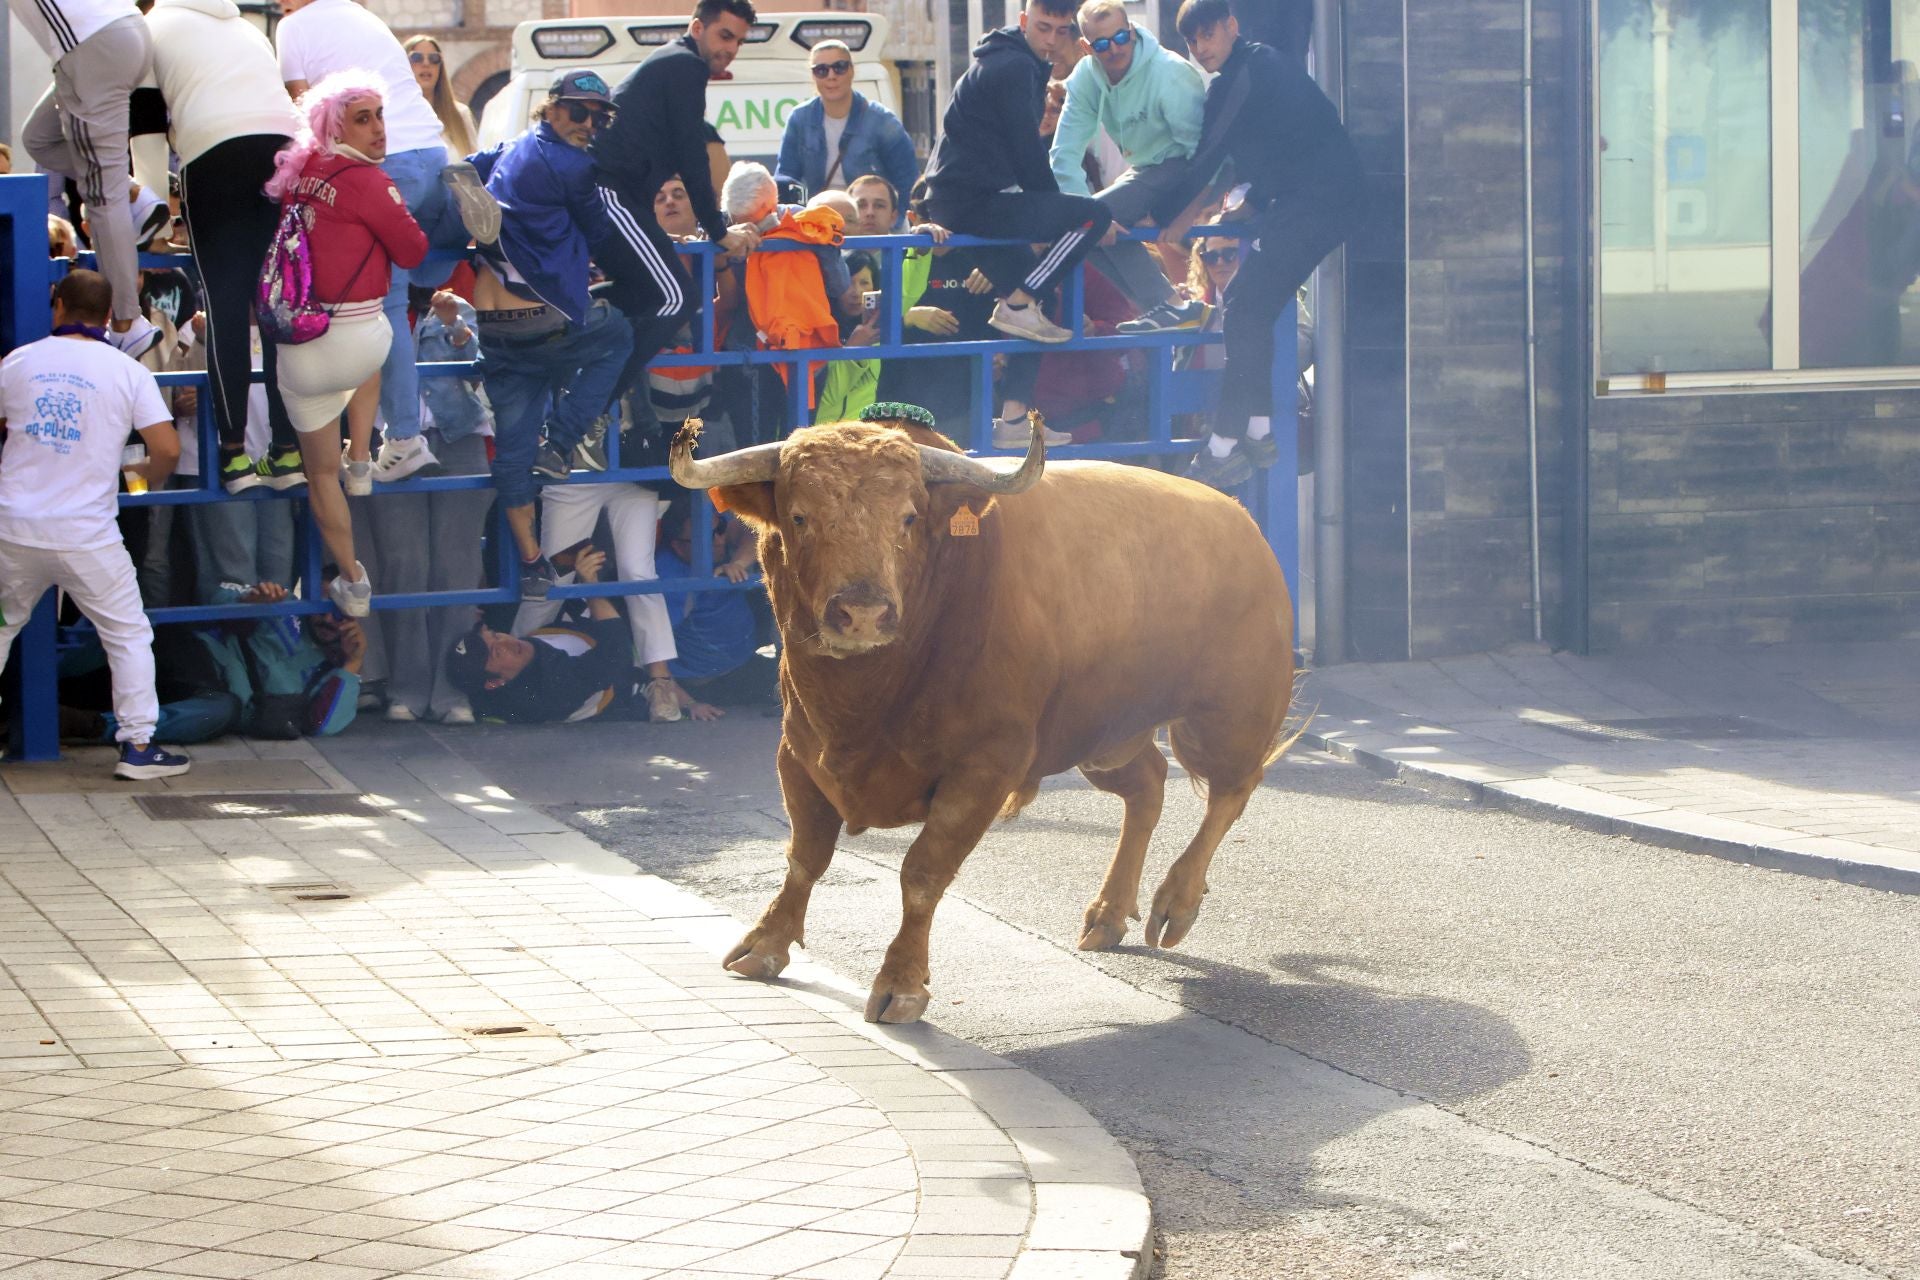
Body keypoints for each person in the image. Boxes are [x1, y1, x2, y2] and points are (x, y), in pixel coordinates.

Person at [277, 0, 500, 485]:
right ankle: (461, 210)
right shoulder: (361, 15)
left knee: (389, 305)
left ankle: (403, 438)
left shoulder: (292, 28)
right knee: (430, 266)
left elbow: (305, 113)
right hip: (430, 150)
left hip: (382, 162)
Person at [1154, 0, 1362, 490]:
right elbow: (1277, 146)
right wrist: (1251, 201)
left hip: (1317, 203)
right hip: (1314, 199)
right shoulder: (1263, 65)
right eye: (1192, 42)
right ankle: (1260, 430)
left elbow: (1210, 154)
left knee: (1245, 309)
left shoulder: (1243, 74)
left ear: (1231, 27)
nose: (1200, 49)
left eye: (1208, 35)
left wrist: (1171, 217)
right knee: (1252, 306)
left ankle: (1225, 444)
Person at [0, 270, 188, 779]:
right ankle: (139, 747)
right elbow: (167, 447)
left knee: (1, 627)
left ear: (56, 304)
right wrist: (146, 475)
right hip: (88, 535)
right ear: (108, 315)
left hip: (15, 528)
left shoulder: (18, 362)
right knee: (126, 634)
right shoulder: (126, 371)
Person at [264, 71, 429, 617]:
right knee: (378, 340)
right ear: (337, 126)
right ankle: (360, 455)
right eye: (364, 118)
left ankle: (353, 582)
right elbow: (412, 252)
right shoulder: (370, 182)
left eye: (380, 115)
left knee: (317, 475)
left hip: (301, 347)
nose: (379, 129)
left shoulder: (299, 171)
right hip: (358, 341)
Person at [469, 69, 633, 600]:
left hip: (494, 331)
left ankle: (533, 562)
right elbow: (602, 232)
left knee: (512, 457)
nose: (590, 125)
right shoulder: (576, 167)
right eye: (579, 112)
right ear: (553, 108)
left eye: (601, 117)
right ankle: (561, 444)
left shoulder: (511, 147)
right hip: (545, 322)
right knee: (620, 335)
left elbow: (470, 167)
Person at [144, 0, 307, 495]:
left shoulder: (148, 27)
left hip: (212, 154)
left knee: (225, 307)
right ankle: (287, 450)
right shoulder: (246, 26)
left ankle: (234, 456)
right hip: (281, 147)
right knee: (274, 306)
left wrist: (154, 218)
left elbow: (146, 133)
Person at [590, 0, 764, 401]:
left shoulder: (675, 62)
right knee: (678, 295)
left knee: (652, 293)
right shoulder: (685, 65)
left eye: (739, 41)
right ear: (697, 28)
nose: (731, 48)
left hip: (617, 195)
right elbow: (691, 155)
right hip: (606, 191)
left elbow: (688, 153)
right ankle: (593, 403)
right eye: (725, 35)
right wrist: (718, 231)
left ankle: (571, 334)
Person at [920, 0, 1113, 361]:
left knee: (1040, 297)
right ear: (1024, 21)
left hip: (961, 199)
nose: (1052, 40)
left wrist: (1052, 212)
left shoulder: (1010, 57)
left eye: (1061, 30)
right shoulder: (1015, 66)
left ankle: (1012, 415)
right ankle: (1020, 303)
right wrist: (1057, 214)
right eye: (1043, 28)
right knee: (1095, 216)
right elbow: (1027, 153)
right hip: (970, 202)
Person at [10, 0, 162, 356]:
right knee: (39, 139)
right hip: (118, 32)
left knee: (101, 197)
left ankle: (128, 321)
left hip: (91, 46)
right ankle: (134, 195)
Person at [1050, 0, 1208, 331]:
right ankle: (1163, 307)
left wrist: (1188, 209)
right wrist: (1087, 214)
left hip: (1183, 166)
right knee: (1079, 225)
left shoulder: (1170, 73)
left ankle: (1171, 305)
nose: (1115, 49)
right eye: (1103, 44)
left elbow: (1205, 153)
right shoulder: (1085, 78)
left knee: (1093, 221)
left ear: (1133, 31)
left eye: (1121, 37)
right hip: (1144, 169)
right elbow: (1063, 154)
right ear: (1086, 46)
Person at [451, 546, 696, 723]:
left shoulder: (514, 635)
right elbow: (616, 652)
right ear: (495, 682)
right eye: (495, 653)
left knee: (555, 564)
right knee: (632, 576)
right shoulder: (547, 692)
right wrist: (590, 585)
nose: (503, 642)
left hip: (564, 627)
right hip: (616, 668)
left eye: (494, 636)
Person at [656, 499, 775, 719]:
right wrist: (689, 703)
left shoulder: (709, 520)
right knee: (803, 690)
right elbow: (651, 656)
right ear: (677, 545)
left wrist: (739, 563)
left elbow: (751, 531)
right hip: (712, 680)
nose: (720, 539)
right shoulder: (669, 579)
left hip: (744, 650)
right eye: (708, 537)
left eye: (719, 529)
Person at [774, 39, 918, 207]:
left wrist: (895, 226)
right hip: (819, 222)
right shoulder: (799, 119)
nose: (831, 76)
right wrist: (798, 217)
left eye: (839, 67)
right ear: (813, 76)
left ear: (851, 70)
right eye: (821, 70)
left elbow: (908, 182)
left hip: (870, 226)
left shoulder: (883, 121)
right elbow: (786, 178)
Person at [403, 34, 476, 156]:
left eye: (434, 58)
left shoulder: (460, 114)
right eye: (416, 57)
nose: (426, 63)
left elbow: (474, 167)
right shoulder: (392, 115)